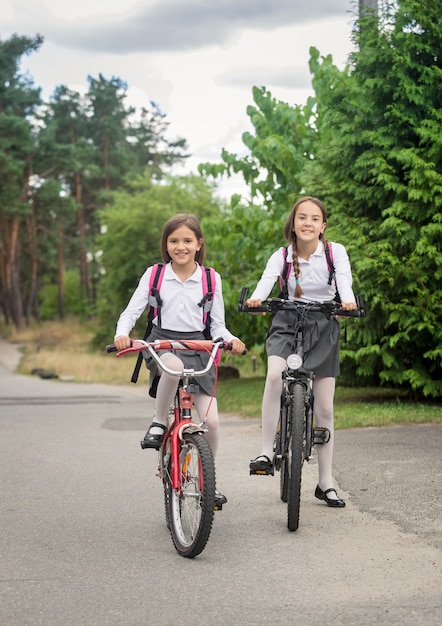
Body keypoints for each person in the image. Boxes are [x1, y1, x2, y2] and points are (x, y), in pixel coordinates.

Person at [114, 213, 246, 508]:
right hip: (163, 343)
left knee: (211, 421)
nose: (180, 246)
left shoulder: (211, 278)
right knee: (172, 367)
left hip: (200, 345)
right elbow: (131, 312)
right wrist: (123, 334)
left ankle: (205, 480)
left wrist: (230, 339)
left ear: (199, 244)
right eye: (174, 241)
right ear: (166, 244)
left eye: (187, 240)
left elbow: (217, 326)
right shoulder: (155, 275)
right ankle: (159, 421)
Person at [246, 196, 357, 508]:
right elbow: (266, 283)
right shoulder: (282, 256)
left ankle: (325, 482)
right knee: (272, 376)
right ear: (292, 224)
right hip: (287, 321)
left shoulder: (335, 253)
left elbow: (344, 282)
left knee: (324, 408)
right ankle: (266, 451)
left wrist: (346, 302)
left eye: (314, 218)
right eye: (301, 217)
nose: (307, 223)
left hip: (324, 323)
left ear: (323, 226)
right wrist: (256, 299)